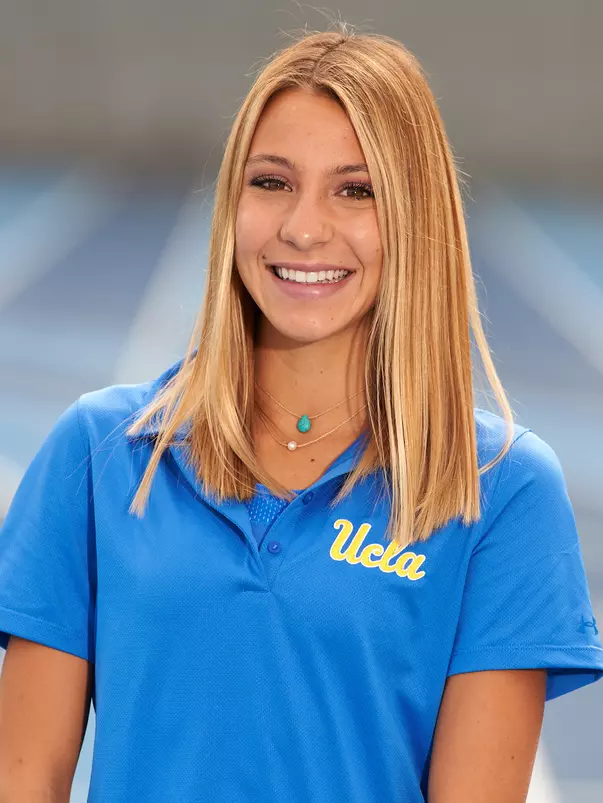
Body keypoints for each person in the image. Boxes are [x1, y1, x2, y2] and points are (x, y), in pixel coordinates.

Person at [0, 25, 601, 803]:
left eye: (356, 190)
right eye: (272, 181)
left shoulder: (497, 489)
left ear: (417, 220)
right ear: (232, 202)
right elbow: (24, 781)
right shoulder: (98, 453)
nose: (303, 227)